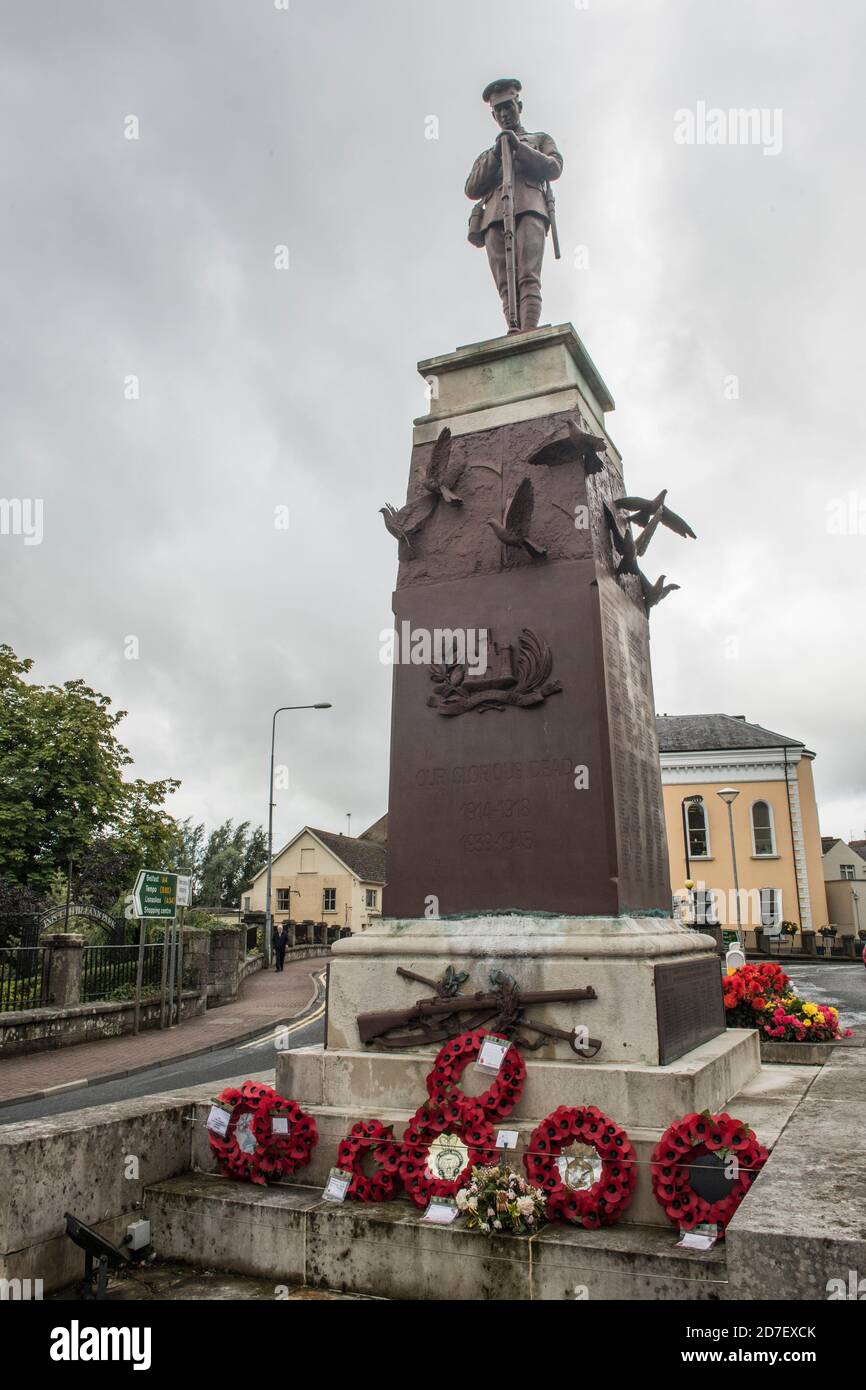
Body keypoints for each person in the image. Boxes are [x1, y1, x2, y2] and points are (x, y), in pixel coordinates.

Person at [465, 78, 563, 334]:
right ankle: (513, 329)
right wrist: (497, 155)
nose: (505, 114)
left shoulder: (539, 139)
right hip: (494, 218)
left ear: (519, 105)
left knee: (528, 276)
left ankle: (528, 332)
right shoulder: (488, 154)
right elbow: (471, 188)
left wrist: (519, 148)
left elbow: (554, 168)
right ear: (493, 115)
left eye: (509, 107)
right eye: (499, 110)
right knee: (505, 284)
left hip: (531, 208)